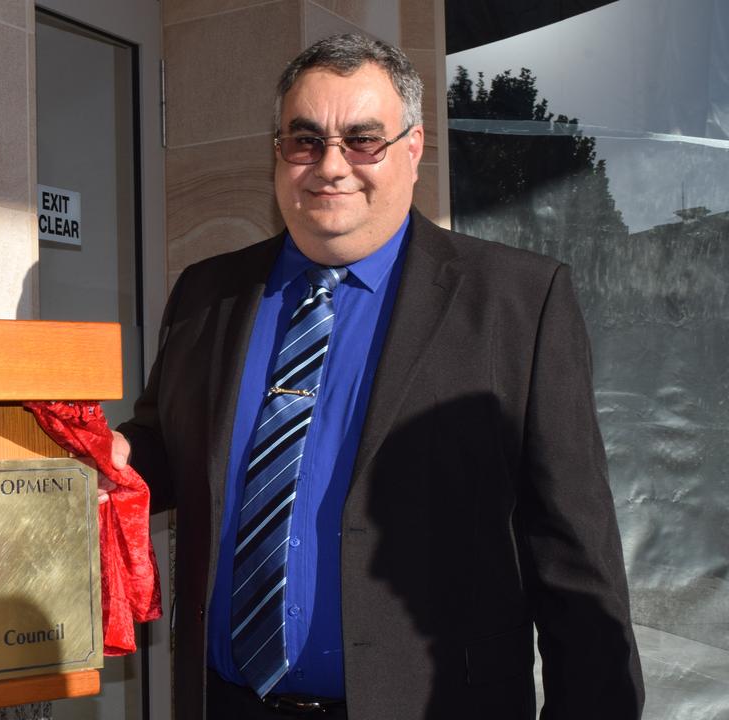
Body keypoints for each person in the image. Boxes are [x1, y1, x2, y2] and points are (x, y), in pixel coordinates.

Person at [103, 34, 644, 718]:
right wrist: (117, 460)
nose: (331, 166)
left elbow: (575, 562)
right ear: (278, 152)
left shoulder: (516, 303)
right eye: (306, 140)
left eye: (363, 140)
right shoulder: (208, 294)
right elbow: (169, 443)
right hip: (228, 702)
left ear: (412, 149)